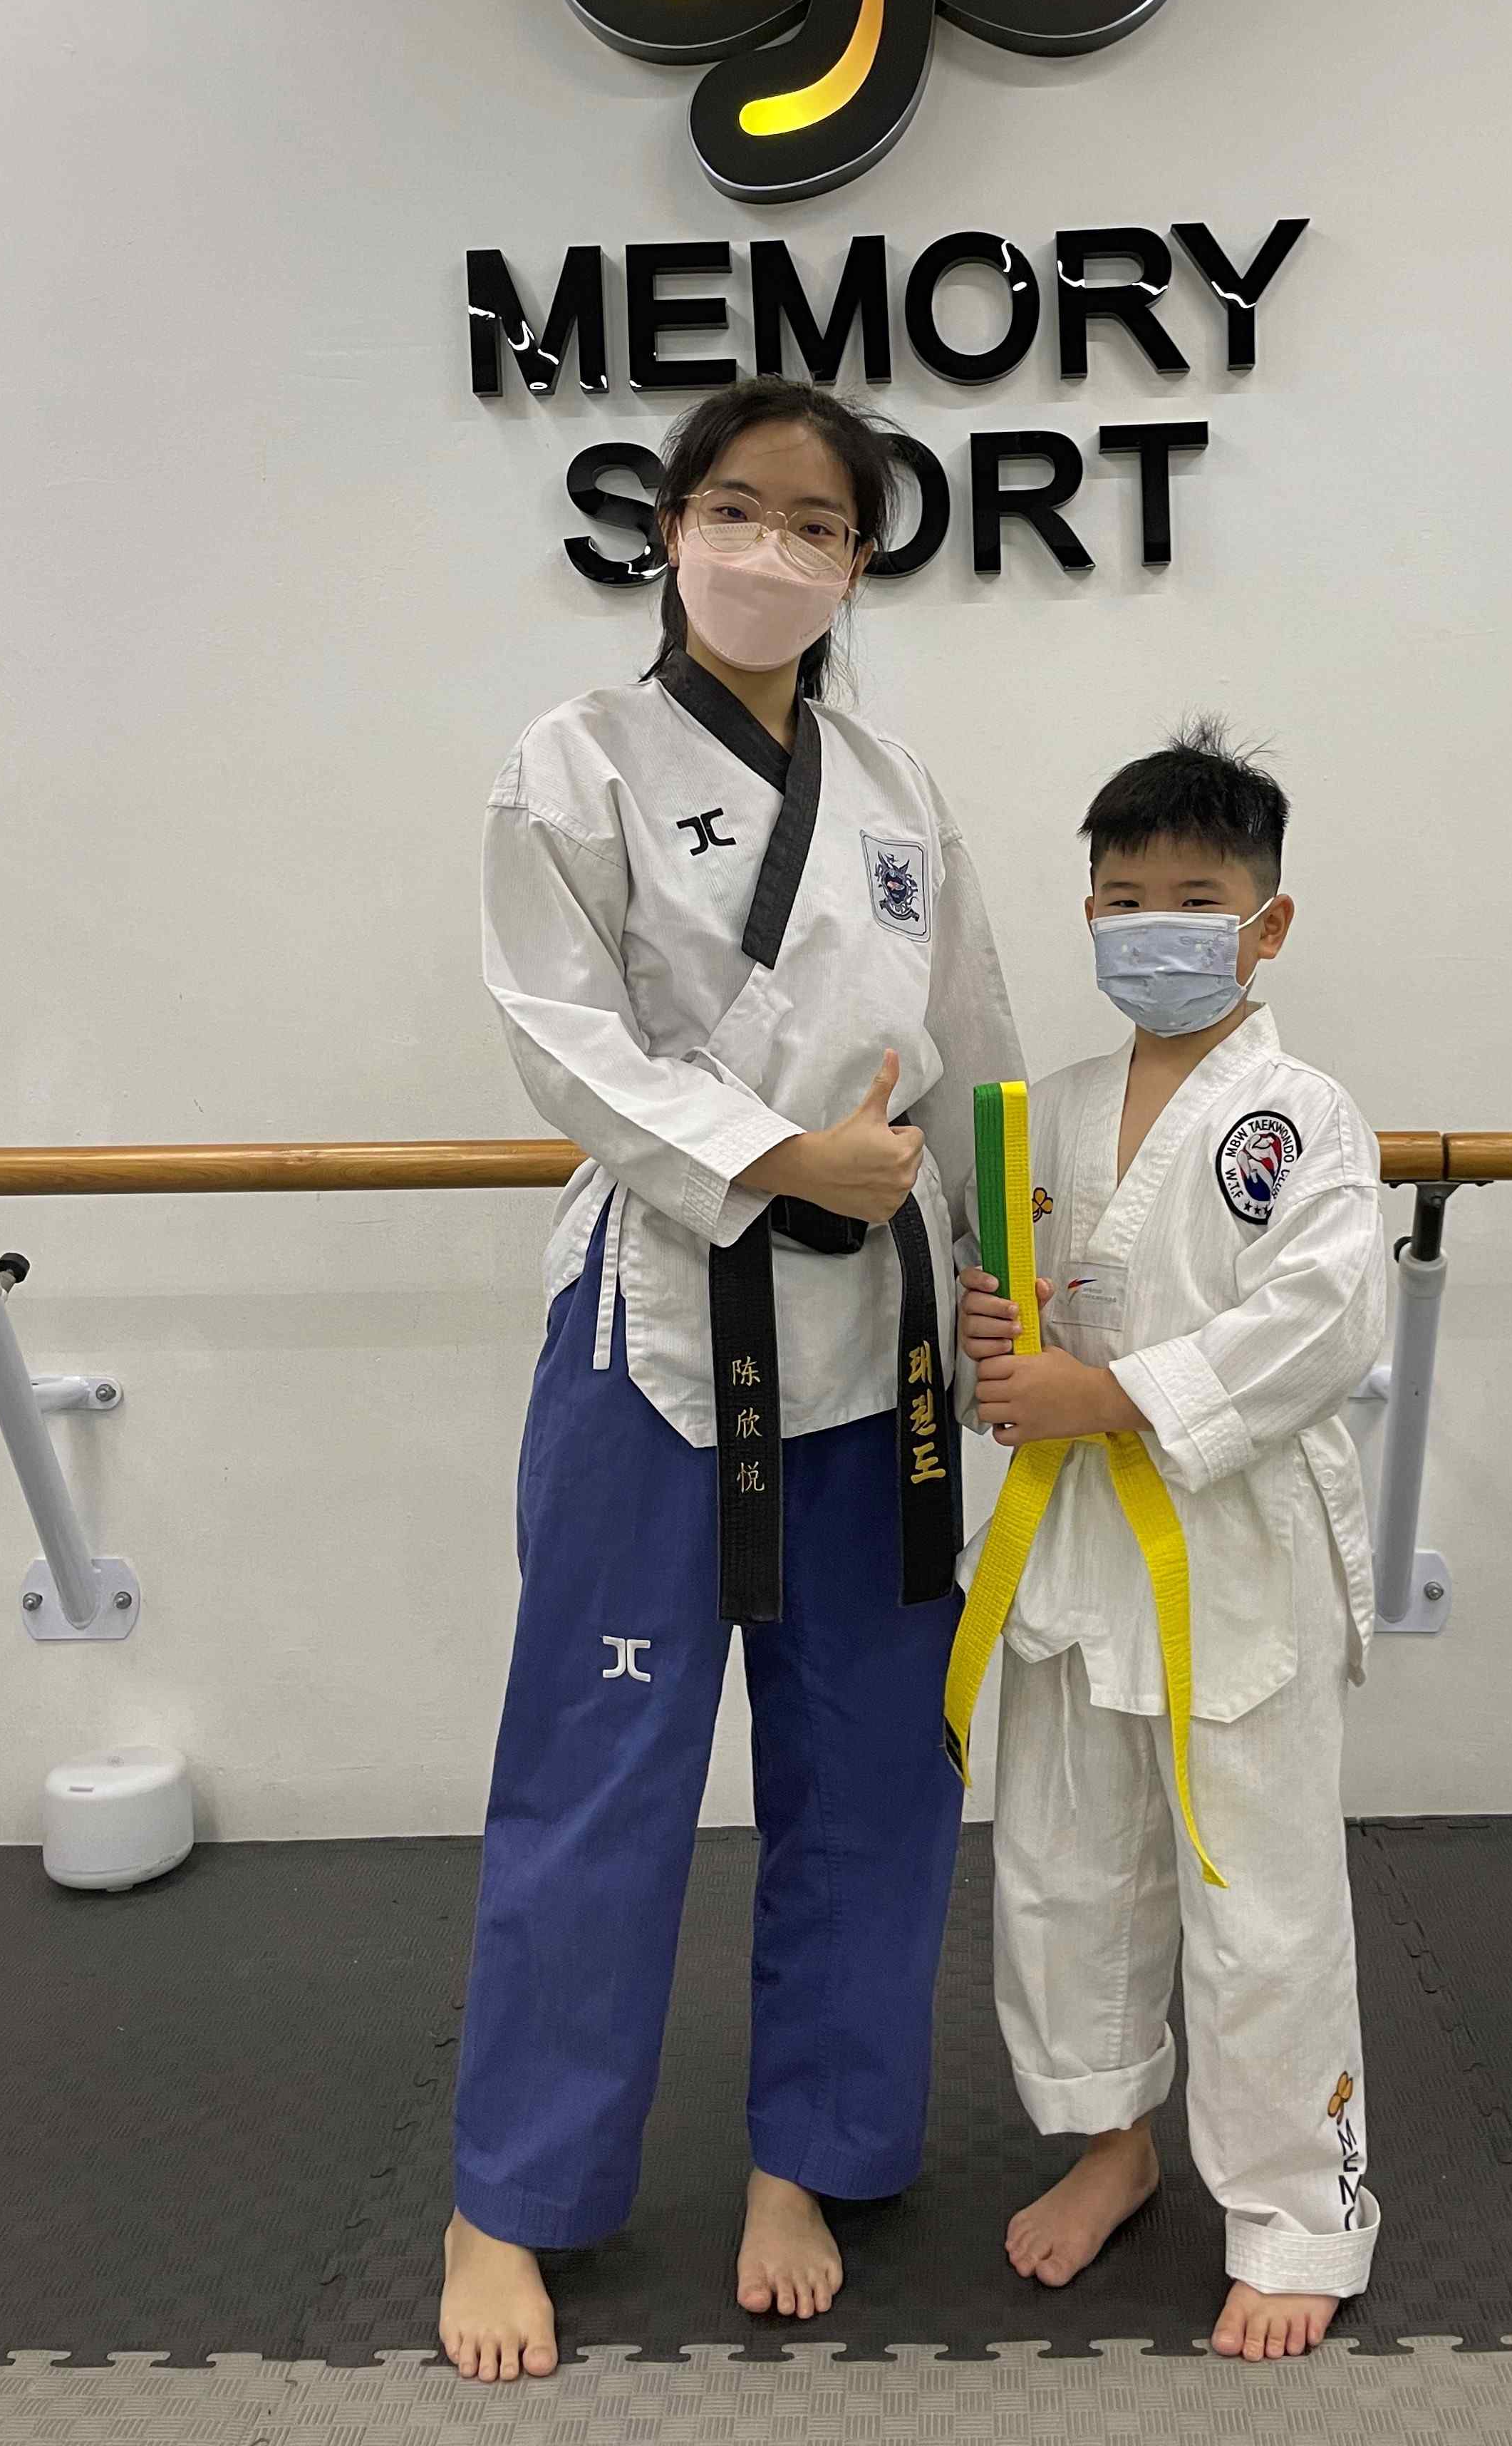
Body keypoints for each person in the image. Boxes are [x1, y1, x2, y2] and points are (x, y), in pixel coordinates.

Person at [441, 377, 1022, 2384]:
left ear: (861, 563)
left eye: (820, 525)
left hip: (878, 1347)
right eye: (739, 510)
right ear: (671, 526)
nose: (774, 551)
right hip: (667, 1340)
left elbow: (976, 1041)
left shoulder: (896, 791)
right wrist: (777, 1157)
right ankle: (507, 2195)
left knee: (875, 1771)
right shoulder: (574, 761)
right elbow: (558, 1030)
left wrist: (1006, 1282)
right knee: (596, 1771)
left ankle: (811, 2155)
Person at [956, 719, 1387, 2364]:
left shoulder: (1302, 1116)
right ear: (1087, 912)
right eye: (1124, 897)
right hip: (1075, 1550)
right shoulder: (1042, 1116)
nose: (1154, 926)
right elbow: (1010, 1322)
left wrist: (1113, 1391)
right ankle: (1111, 2142)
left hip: (1233, 1555)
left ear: (1267, 924)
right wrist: (998, 1346)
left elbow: (1323, 1321)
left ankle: (1295, 2213)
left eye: (1194, 899)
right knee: (1069, 1870)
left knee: (1258, 1895)